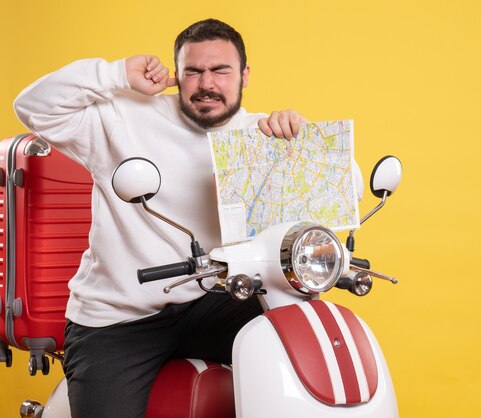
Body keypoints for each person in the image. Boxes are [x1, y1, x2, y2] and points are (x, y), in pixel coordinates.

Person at [14, 18, 306, 418]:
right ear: (176, 75)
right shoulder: (125, 117)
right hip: (118, 316)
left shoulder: (258, 135)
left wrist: (303, 142)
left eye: (220, 70)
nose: (207, 83)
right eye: (193, 71)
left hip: (210, 302)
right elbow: (31, 106)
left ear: (244, 75)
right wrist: (116, 74)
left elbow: (343, 193)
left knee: (298, 338)